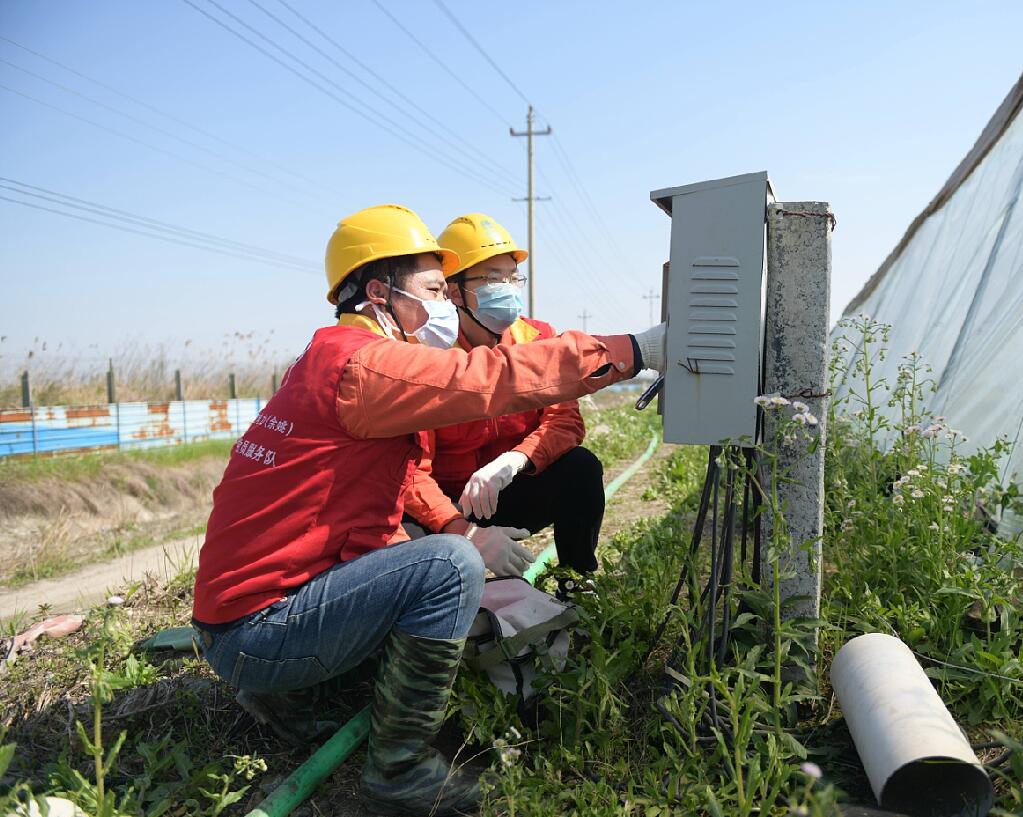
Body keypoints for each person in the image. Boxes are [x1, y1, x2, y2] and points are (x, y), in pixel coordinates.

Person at [190, 204, 666, 816]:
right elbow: (484, 379)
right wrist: (634, 348)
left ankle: (298, 697)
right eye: (436, 289)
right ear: (381, 293)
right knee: (447, 566)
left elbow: (368, 519)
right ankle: (401, 771)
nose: (443, 304)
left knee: (430, 555)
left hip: (243, 622)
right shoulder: (366, 365)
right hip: (255, 634)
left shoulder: (332, 356)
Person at [402, 213, 605, 575]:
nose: (507, 288)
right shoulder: (429, 354)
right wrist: (459, 527)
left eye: (513, 277)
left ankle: (577, 577)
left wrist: (513, 461)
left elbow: (565, 421)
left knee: (581, 467)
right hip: (448, 501)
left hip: (511, 488)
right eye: (492, 279)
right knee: (402, 523)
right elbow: (413, 469)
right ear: (453, 290)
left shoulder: (537, 339)